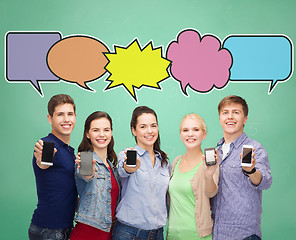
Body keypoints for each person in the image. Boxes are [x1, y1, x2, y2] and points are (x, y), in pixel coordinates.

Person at [211, 95, 272, 240]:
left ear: (244, 119)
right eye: (225, 112)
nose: (230, 117)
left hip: (244, 234)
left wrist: (251, 170)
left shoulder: (254, 148)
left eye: (236, 112)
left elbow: (266, 181)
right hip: (217, 232)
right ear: (220, 118)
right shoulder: (216, 152)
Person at [112, 106, 170, 240]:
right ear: (134, 130)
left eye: (153, 126)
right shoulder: (126, 155)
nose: (149, 131)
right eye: (143, 126)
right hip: (129, 233)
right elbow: (124, 169)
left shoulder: (164, 163)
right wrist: (131, 167)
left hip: (157, 234)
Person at [29, 94, 78, 240]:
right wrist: (42, 158)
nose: (66, 119)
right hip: (49, 230)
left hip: (63, 228)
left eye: (70, 114)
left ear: (75, 116)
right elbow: (43, 163)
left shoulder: (69, 151)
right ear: (50, 118)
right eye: (60, 114)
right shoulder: (47, 145)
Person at [166, 113, 219, 240]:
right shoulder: (176, 162)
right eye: (185, 130)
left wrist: (208, 175)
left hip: (198, 235)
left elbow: (211, 192)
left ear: (204, 134)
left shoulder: (210, 164)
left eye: (196, 130)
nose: (190, 134)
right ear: (180, 135)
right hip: (172, 235)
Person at [70, 111, 121, 240]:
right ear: (88, 134)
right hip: (86, 235)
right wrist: (89, 172)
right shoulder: (86, 158)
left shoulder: (112, 167)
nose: (102, 134)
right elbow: (87, 175)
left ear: (111, 132)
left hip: (109, 235)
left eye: (106, 130)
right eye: (96, 130)